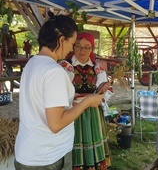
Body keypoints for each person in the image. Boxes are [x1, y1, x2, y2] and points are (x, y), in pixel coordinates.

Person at [14, 12, 104, 170]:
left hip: (29, 151)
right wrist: (88, 101)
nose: (71, 49)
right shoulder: (54, 72)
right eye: (73, 43)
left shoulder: (32, 63)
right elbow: (56, 124)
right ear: (62, 40)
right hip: (47, 158)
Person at [68, 32, 111, 170]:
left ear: (92, 49)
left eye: (87, 47)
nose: (82, 51)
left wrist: (102, 90)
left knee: (92, 137)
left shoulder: (97, 69)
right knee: (76, 140)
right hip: (73, 112)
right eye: (78, 46)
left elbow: (106, 93)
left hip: (93, 113)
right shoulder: (65, 67)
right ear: (73, 47)